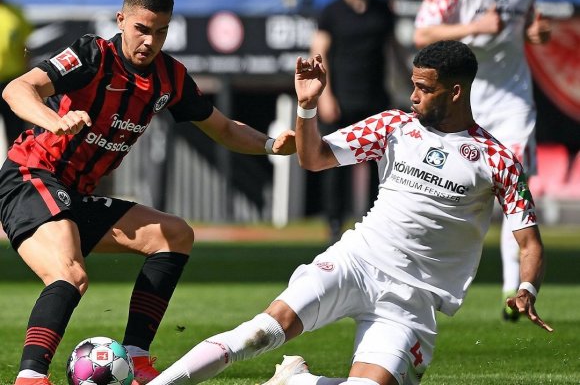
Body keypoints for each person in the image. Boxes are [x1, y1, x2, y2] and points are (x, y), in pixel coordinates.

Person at [147, 41, 552, 385]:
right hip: (355, 261)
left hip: (412, 299)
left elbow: (529, 241)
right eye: (412, 85)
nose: (413, 96)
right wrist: (307, 107)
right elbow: (315, 158)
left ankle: (299, 381)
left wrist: (527, 288)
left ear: (456, 92)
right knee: (260, 332)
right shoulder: (393, 126)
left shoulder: (497, 159)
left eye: (424, 89)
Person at [0, 0, 295, 385]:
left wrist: (269, 145)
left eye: (161, 31)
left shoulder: (169, 78)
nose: (149, 41)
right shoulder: (92, 55)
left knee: (174, 235)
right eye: (141, 28)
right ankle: (31, 377)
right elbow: (18, 89)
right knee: (70, 275)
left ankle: (136, 360)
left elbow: (223, 128)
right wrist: (56, 120)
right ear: (121, 20)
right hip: (31, 177)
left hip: (74, 196)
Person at [413, 0, 552, 321]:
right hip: (460, 99)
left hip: (512, 101)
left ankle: (514, 292)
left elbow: (527, 23)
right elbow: (423, 34)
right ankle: (423, 279)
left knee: (515, 190)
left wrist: (536, 33)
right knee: (438, 186)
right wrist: (477, 26)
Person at [310, 0, 395, 243]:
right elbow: (319, 52)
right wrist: (325, 96)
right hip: (341, 101)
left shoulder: (383, 10)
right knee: (336, 162)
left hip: (375, 99)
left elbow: (394, 51)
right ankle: (334, 222)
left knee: (377, 165)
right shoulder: (331, 11)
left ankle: (372, 220)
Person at [0, 0, 33, 155]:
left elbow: (24, 49)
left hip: (10, 81)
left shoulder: (15, 12)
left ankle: (12, 178)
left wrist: (26, 82)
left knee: (16, 135)